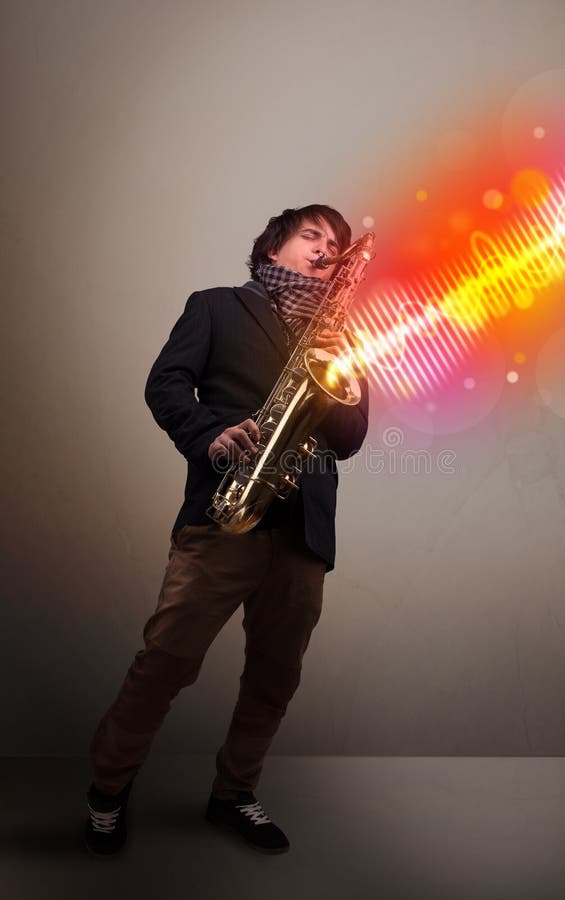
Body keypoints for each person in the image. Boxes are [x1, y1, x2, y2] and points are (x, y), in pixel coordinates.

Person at [84, 205, 369, 856]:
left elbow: (350, 439)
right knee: (166, 663)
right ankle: (107, 789)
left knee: (275, 677)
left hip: (302, 530)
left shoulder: (343, 338)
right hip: (225, 511)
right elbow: (166, 385)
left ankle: (234, 793)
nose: (326, 250)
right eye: (312, 236)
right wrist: (210, 436)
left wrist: (328, 369)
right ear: (272, 249)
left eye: (337, 244)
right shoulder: (215, 307)